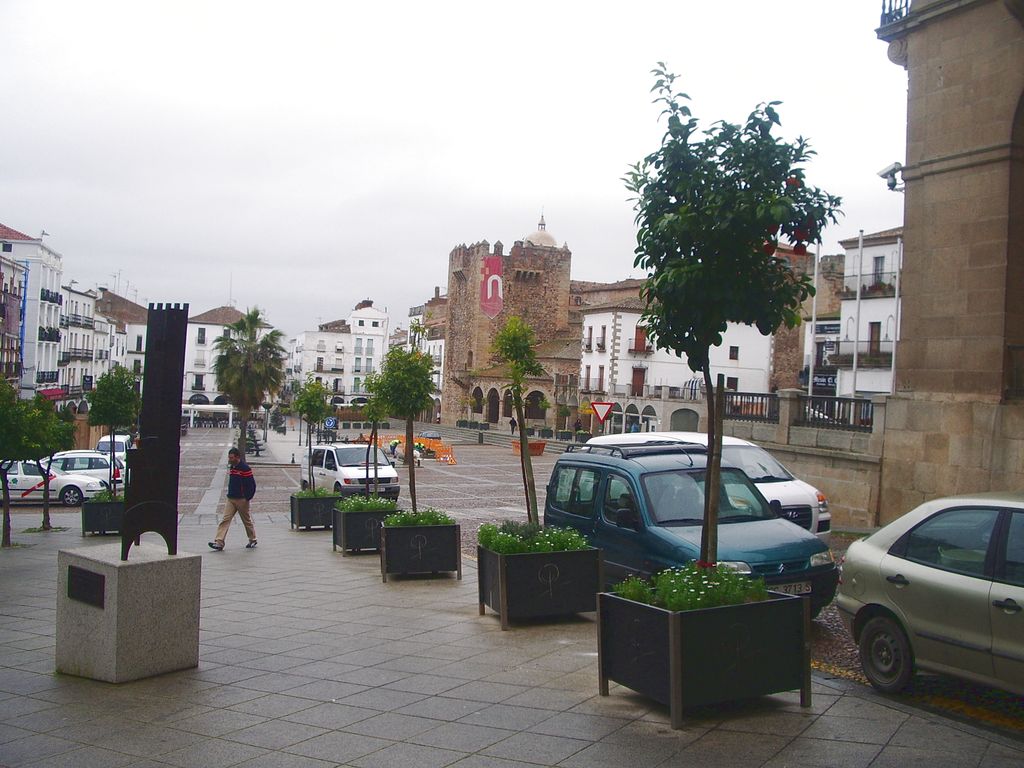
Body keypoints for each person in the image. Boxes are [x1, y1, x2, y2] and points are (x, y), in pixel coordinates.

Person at [209, 447, 257, 551]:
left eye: (231, 457)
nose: (229, 459)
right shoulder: (233, 467)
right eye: (229, 457)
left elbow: (252, 485)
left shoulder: (245, 468)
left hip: (241, 499)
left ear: (237, 457)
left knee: (246, 520)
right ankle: (219, 542)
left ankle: (252, 539)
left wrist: (247, 497)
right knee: (225, 520)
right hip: (231, 498)